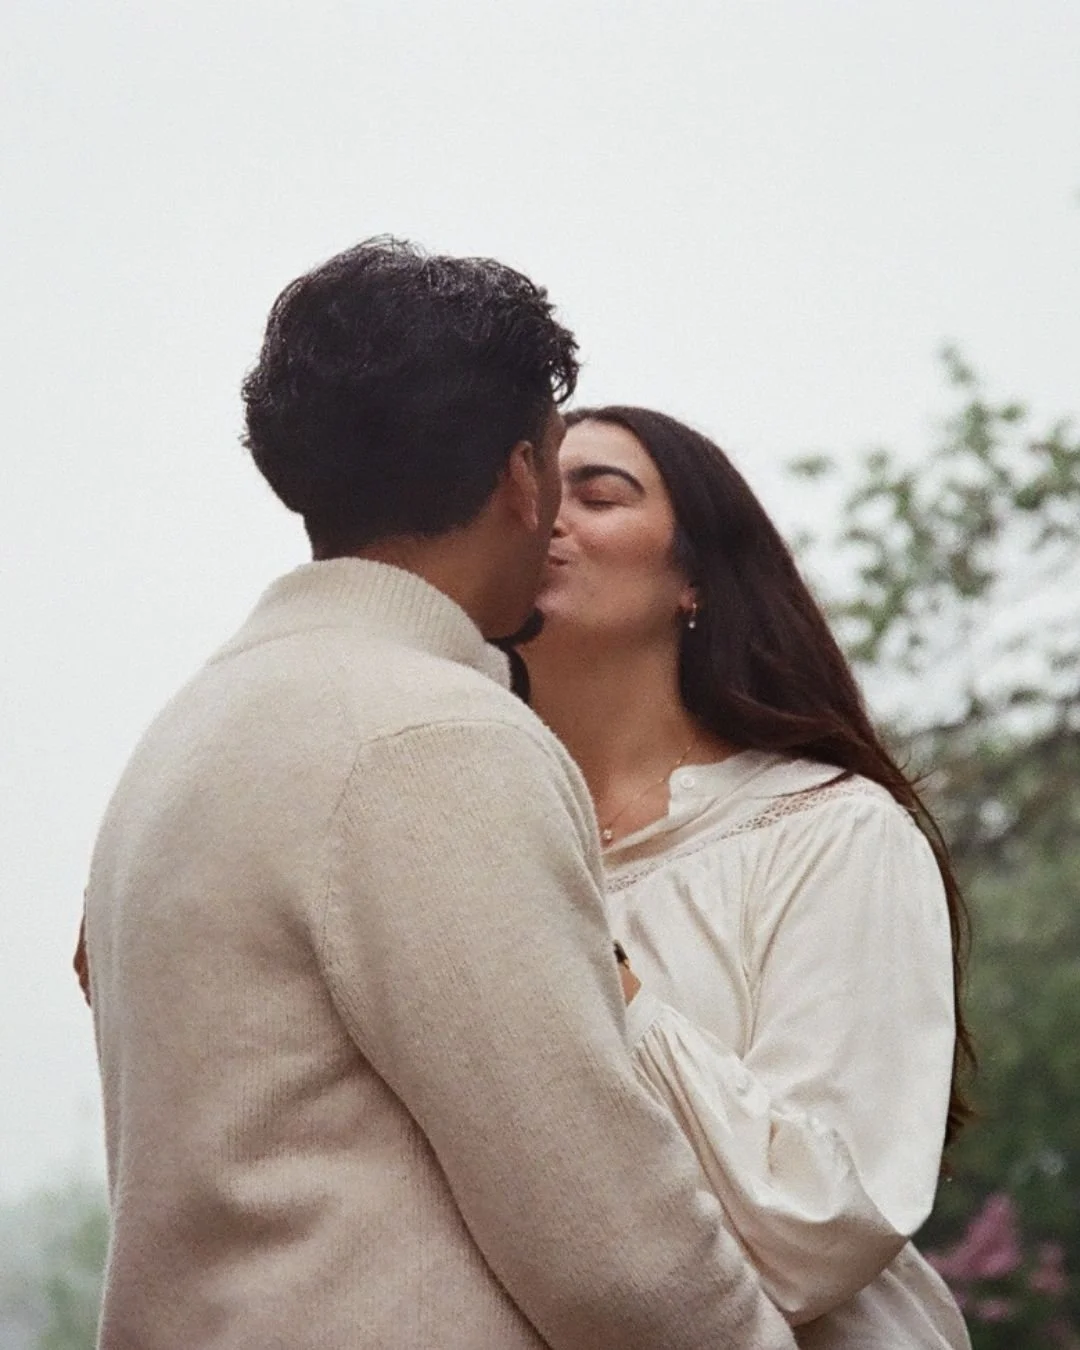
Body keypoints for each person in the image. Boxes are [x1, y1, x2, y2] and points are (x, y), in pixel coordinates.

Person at [80, 242, 797, 1350]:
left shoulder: (187, 735)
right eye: (559, 466)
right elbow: (608, 1242)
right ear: (521, 478)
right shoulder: (432, 738)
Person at [519, 406, 974, 1349]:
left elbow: (817, 1223)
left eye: (598, 494)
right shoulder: (465, 843)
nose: (546, 519)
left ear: (693, 576)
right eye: (523, 497)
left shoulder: (831, 831)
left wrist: (597, 968)